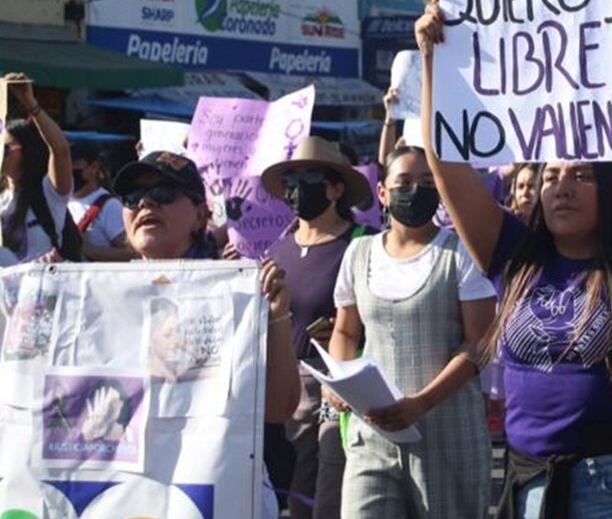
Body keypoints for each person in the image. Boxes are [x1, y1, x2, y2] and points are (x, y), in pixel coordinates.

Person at [417, 0, 612, 518]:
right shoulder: (513, 257)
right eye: (551, 175)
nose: (562, 186)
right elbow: (445, 166)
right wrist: (435, 59)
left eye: (581, 175)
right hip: (530, 486)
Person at [112, 150, 300, 519]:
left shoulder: (240, 293)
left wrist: (277, 316)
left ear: (201, 214)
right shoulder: (98, 296)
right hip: (128, 497)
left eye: (164, 194)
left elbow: (278, 407)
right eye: (133, 198)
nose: (146, 203)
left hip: (216, 493)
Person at [327, 145, 496, 519]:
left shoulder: (460, 252)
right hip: (372, 435)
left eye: (425, 181)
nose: (414, 191)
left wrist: (421, 402)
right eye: (403, 182)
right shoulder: (358, 253)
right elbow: (345, 331)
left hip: (447, 435)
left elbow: (480, 343)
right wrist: (338, 376)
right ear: (383, 193)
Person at [260, 136, 377, 519]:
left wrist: (351, 338)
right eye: (290, 180)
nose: (296, 188)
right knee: (282, 491)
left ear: (336, 188)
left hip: (331, 387)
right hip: (277, 388)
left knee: (318, 496)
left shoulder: (361, 244)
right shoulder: (278, 248)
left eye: (309, 177)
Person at [1, 73, 76, 262]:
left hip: (44, 288)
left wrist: (30, 103)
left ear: (26, 151)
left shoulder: (48, 193)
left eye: (5, 147)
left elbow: (60, 151)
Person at [67, 140, 136, 262]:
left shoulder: (109, 207)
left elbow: (133, 254)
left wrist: (86, 250)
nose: (69, 171)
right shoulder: (60, 202)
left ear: (94, 167)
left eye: (75, 165)